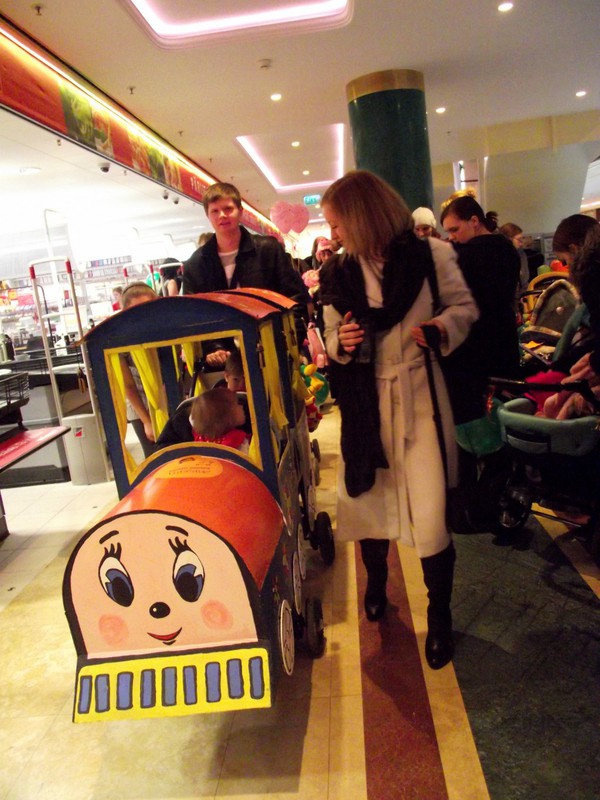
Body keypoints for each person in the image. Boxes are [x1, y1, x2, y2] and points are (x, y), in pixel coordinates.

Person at [319, 170, 478, 670]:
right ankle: (376, 584)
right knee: (369, 504)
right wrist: (340, 343)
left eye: (337, 223)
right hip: (366, 405)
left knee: (430, 511)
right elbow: (329, 332)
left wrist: (441, 327)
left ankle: (440, 614)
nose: (333, 233)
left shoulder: (432, 255)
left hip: (420, 398)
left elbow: (464, 307)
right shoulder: (338, 272)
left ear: (363, 216)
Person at [182, 182, 309, 366]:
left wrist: (288, 343)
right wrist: (213, 348)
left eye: (228, 209)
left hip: (274, 353)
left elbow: (295, 299)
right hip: (225, 364)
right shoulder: (196, 264)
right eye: (215, 211)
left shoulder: (268, 249)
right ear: (208, 215)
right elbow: (194, 315)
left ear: (240, 211)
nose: (222, 215)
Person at [440, 191, 521, 426]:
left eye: (455, 229)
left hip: (477, 351)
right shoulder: (507, 248)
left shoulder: (471, 254)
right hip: (503, 340)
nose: (452, 237)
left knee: (478, 425)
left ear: (474, 221)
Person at [119, 282, 159, 457]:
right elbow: (128, 386)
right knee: (154, 458)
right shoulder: (121, 341)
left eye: (149, 309)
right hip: (140, 408)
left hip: (170, 403)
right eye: (137, 311)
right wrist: (147, 421)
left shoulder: (166, 331)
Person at [189, 386, 250, 452]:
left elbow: (192, 419)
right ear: (227, 417)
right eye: (237, 404)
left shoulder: (201, 440)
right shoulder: (237, 442)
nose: (241, 406)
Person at [499, 221, 529, 294]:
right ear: (508, 239)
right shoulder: (499, 258)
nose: (521, 244)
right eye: (519, 240)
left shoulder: (521, 254)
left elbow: (525, 279)